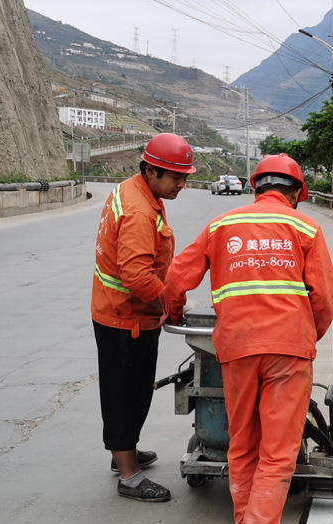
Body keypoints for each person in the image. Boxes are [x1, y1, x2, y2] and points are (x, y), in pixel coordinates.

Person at [161, 154, 333, 524]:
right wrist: (303, 337)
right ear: (297, 194)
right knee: (278, 453)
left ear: (256, 188)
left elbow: (175, 279)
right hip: (288, 351)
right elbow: (323, 302)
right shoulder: (306, 229)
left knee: (243, 446)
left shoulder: (222, 226)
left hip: (236, 349)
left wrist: (176, 310)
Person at [91, 132, 196, 503]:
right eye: (176, 178)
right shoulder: (138, 210)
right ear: (151, 171)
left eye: (185, 177)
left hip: (120, 311)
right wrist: (168, 303)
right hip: (126, 317)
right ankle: (129, 474)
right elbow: (136, 276)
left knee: (128, 391)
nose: (183, 185)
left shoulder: (136, 191)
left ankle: (125, 452)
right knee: (126, 394)